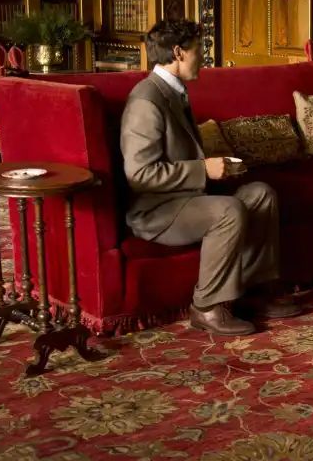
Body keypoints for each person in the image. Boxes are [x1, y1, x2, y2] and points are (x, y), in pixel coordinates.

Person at [120, 18, 298, 336]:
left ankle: (253, 292)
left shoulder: (174, 91)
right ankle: (206, 307)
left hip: (188, 199)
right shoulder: (146, 100)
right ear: (178, 53)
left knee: (261, 193)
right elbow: (139, 175)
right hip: (156, 212)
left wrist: (219, 169)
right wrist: (203, 170)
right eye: (199, 48)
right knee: (228, 210)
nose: (203, 56)